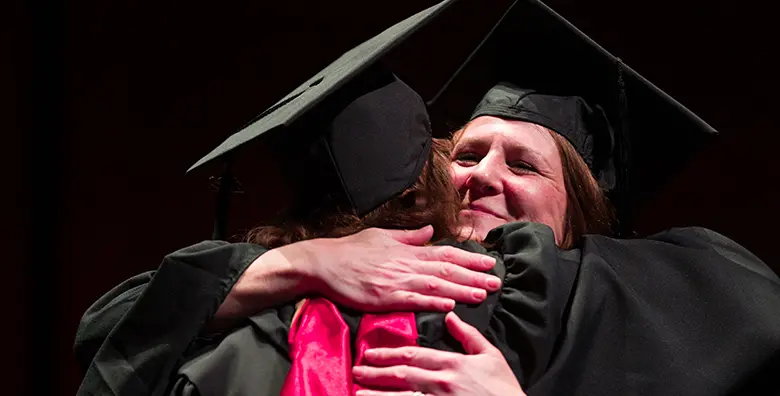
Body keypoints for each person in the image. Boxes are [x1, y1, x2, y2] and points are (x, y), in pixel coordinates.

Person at [75, 1, 780, 395]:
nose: (485, 175)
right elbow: (111, 333)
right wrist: (307, 261)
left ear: (583, 213)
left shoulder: (630, 320)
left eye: (526, 166)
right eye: (468, 154)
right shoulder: (336, 286)